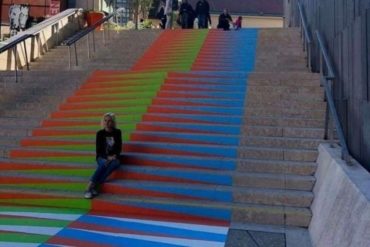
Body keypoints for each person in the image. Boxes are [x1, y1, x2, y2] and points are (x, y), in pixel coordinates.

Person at [84, 112, 122, 199]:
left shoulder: (117, 132)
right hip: (102, 157)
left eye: (109, 121)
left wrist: (114, 156)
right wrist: (107, 157)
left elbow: (119, 148)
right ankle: (88, 188)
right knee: (104, 163)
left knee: (115, 163)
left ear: (113, 122)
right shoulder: (100, 133)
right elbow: (99, 151)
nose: (107, 123)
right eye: (105, 121)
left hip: (114, 157)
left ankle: (95, 185)